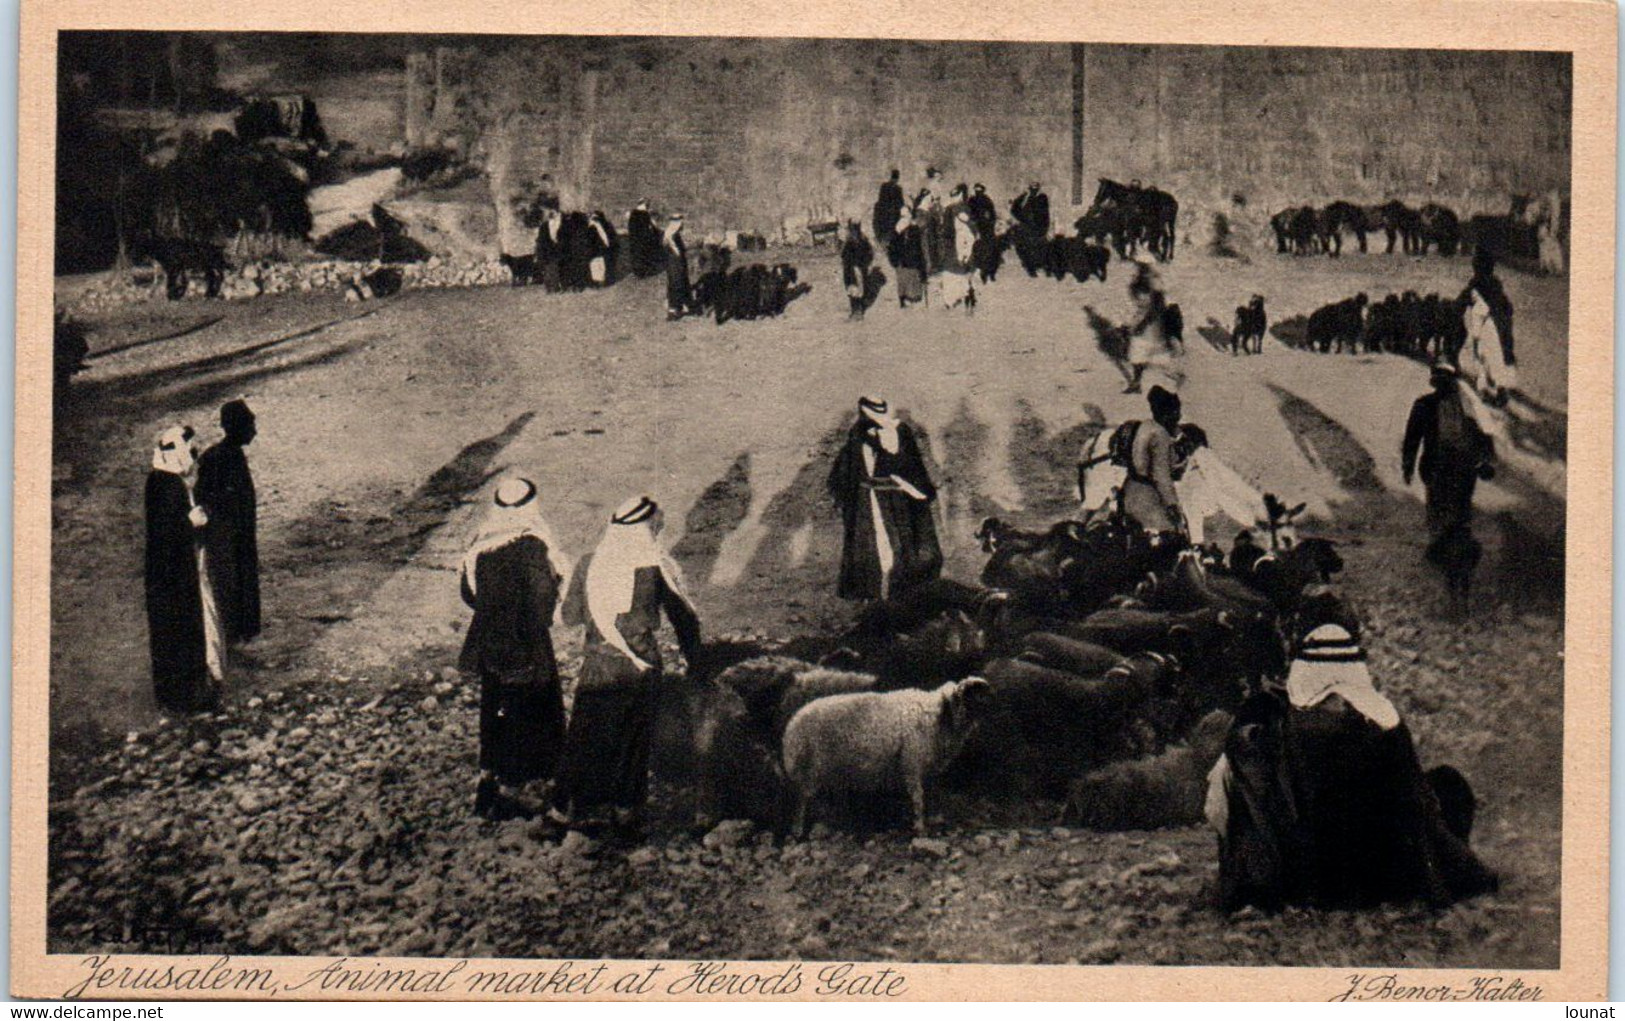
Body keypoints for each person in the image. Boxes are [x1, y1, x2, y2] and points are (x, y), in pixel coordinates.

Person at [1205, 623, 1499, 912]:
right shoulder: (1379, 725)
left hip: (1291, 880)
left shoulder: (1267, 721)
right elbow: (1417, 811)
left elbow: (1219, 806)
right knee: (1448, 783)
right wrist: (1473, 875)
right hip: (1368, 881)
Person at [547, 496, 701, 839]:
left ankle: (562, 813)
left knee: (584, 739)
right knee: (633, 742)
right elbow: (685, 619)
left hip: (599, 667)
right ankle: (625, 814)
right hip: (642, 668)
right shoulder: (657, 566)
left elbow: (569, 617)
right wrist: (697, 665)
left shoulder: (590, 563)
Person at [458, 477, 570, 821]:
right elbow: (542, 601)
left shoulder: (482, 541)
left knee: (496, 709)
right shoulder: (533, 544)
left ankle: (490, 783)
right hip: (527, 642)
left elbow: (468, 593)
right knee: (535, 707)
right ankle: (526, 786)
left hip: (489, 640)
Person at [827, 396, 943, 601]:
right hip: (868, 500)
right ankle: (873, 598)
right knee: (874, 549)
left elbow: (913, 466)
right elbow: (848, 468)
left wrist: (912, 489)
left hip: (897, 500)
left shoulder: (900, 431)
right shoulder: (858, 433)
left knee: (900, 549)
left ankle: (900, 598)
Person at [145, 425, 225, 713]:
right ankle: (184, 699)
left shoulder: (168, 481)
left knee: (185, 633)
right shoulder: (163, 485)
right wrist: (190, 523)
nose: (192, 456)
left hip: (179, 572)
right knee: (178, 634)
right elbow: (164, 534)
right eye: (189, 451)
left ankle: (190, 693)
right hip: (173, 578)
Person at [1402, 363, 1495, 597]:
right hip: (1440, 470)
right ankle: (1447, 561)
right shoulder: (1428, 405)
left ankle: (1455, 563)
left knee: (1455, 514)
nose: (1443, 385)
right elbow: (1412, 438)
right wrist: (1408, 465)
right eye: (1439, 380)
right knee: (1444, 514)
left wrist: (1485, 462)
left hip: (1459, 471)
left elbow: (1483, 437)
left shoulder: (1466, 408)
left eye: (1446, 381)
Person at [195, 400, 260, 647]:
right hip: (226, 537)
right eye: (250, 425)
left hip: (237, 534)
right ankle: (231, 635)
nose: (254, 431)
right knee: (230, 584)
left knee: (239, 581)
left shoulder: (228, 455)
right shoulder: (219, 457)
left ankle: (238, 633)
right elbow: (205, 498)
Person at [1120, 386, 1185, 539]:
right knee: (1176, 535)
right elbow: (1161, 476)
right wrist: (1172, 505)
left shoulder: (1145, 425)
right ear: (1167, 414)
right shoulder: (1160, 435)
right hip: (1146, 497)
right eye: (1176, 412)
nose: (1179, 416)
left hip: (1129, 488)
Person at [1459, 251, 1517, 406]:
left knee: (1481, 356)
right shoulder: (1496, 286)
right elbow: (1508, 308)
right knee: (1496, 358)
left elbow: (1463, 302)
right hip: (1498, 327)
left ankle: (1484, 388)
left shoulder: (1475, 285)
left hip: (1484, 326)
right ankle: (1500, 387)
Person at [1124, 260, 1176, 394]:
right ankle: (1137, 383)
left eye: (1142, 266)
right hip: (1143, 321)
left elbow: (1157, 307)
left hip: (1152, 324)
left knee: (1153, 355)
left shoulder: (1154, 284)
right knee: (1138, 353)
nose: (1139, 269)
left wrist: (1143, 324)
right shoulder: (1141, 282)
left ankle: (1175, 376)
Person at [1011, 181, 1050, 277]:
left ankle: (1039, 267)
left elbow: (1045, 215)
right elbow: (1015, 210)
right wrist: (1022, 196)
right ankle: (1031, 268)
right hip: (1027, 228)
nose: (1033, 191)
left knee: (1039, 248)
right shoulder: (1026, 199)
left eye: (1035, 189)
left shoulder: (1042, 198)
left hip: (1037, 228)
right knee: (1023, 247)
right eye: (1031, 189)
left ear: (1037, 189)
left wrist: (1044, 228)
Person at [889, 210, 927, 308]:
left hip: (900, 262)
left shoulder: (896, 229)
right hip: (910, 261)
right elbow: (918, 248)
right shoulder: (913, 229)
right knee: (910, 280)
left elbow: (892, 247)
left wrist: (893, 260)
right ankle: (911, 300)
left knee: (902, 281)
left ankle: (903, 300)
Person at [839, 220, 875, 320]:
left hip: (852, 270)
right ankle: (858, 311)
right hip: (859, 269)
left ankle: (857, 312)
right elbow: (870, 255)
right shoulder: (864, 241)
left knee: (853, 291)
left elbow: (845, 256)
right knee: (859, 290)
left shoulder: (850, 243)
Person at [662, 213, 692, 320]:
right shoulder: (673, 235)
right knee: (677, 284)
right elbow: (678, 251)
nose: (682, 224)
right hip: (676, 263)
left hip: (673, 263)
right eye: (681, 222)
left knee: (675, 283)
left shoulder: (669, 233)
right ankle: (674, 310)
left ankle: (677, 307)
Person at [626, 200, 664, 278]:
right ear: (645, 205)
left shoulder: (632, 213)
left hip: (633, 238)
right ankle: (644, 272)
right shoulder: (645, 214)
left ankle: (637, 272)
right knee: (644, 254)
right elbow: (652, 226)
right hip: (643, 238)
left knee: (636, 255)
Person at [873, 170, 906, 259]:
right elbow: (901, 203)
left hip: (883, 210)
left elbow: (880, 198)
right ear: (898, 178)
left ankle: (882, 242)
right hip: (892, 213)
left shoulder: (884, 185)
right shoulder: (898, 188)